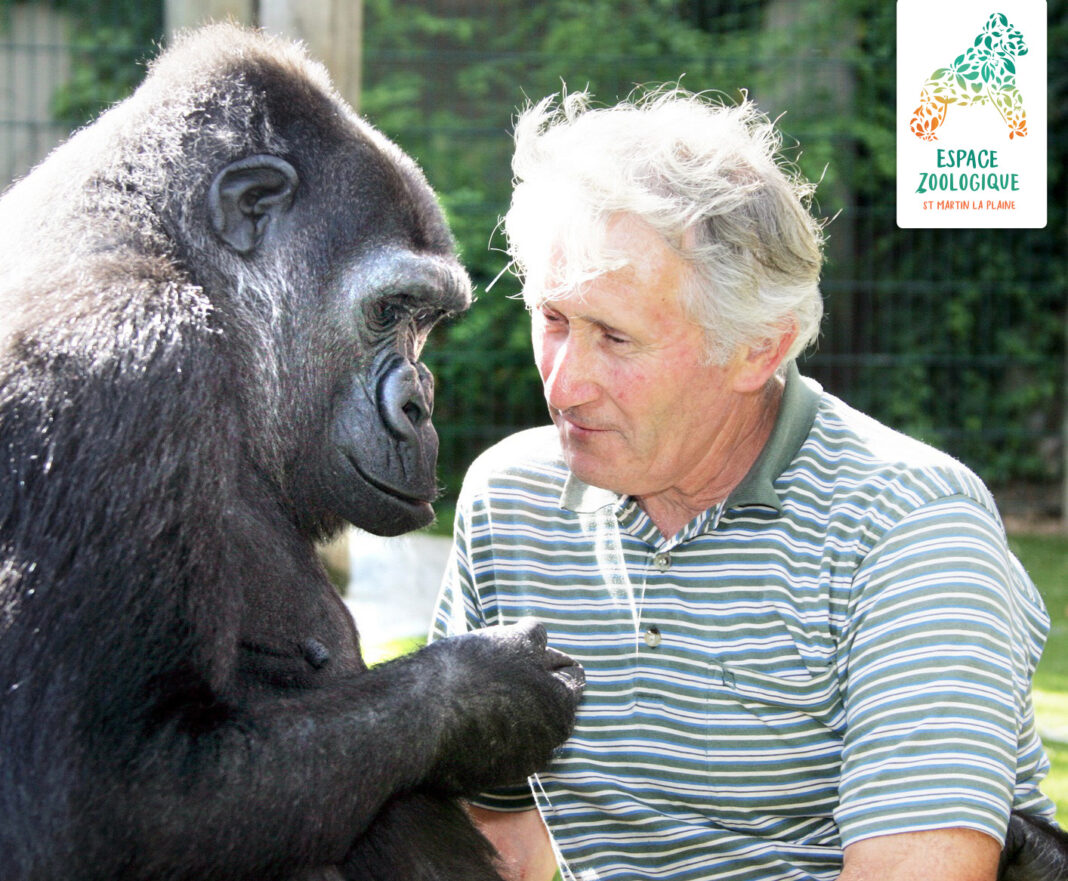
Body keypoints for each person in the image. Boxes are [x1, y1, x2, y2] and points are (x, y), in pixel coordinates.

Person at [430, 88, 1056, 881]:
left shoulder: (909, 529)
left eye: (616, 337)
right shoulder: (510, 503)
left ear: (759, 348)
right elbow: (497, 845)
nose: (564, 382)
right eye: (552, 318)